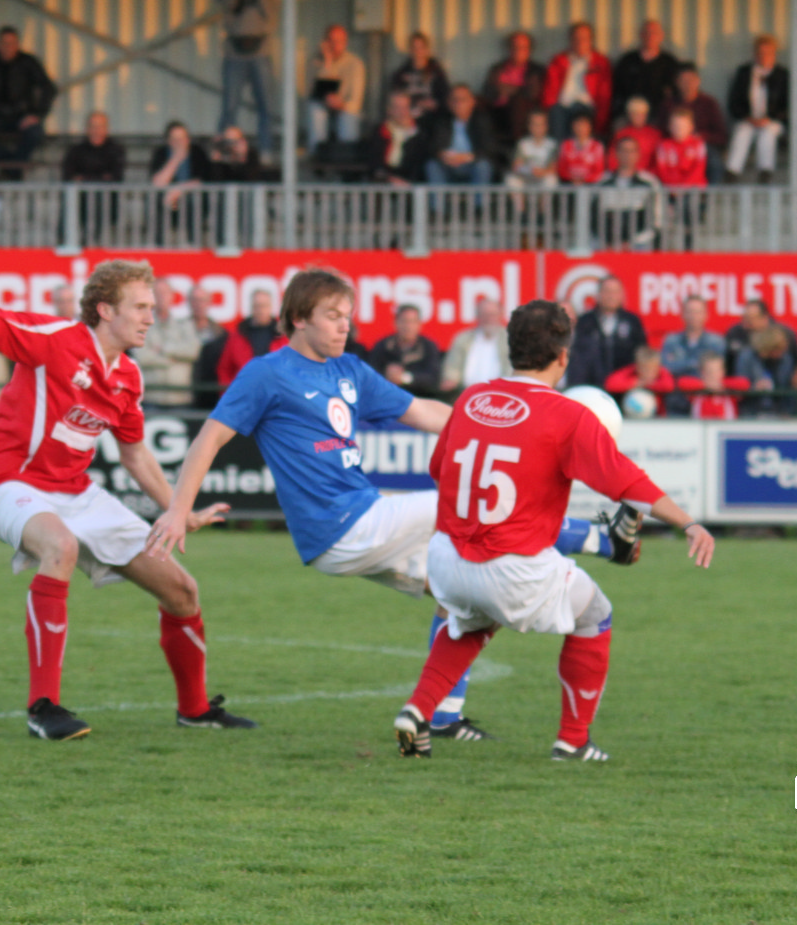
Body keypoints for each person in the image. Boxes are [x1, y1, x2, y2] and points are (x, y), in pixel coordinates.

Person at [150, 273, 626, 746]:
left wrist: (494, 425)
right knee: (468, 505)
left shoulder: (349, 370)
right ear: (298, 318)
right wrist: (177, 509)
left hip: (363, 520)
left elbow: (421, 410)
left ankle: (443, 716)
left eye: (348, 316)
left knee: (468, 592)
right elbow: (210, 437)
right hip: (341, 525)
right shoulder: (267, 373)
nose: (345, 326)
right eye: (332, 316)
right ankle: (605, 540)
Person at [0, 205, 252, 739]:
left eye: (153, 307)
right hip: (9, 483)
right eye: (141, 307)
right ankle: (44, 709)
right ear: (105, 310)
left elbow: (135, 456)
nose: (151, 317)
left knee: (182, 590)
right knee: (59, 546)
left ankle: (195, 710)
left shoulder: (128, 375)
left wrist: (181, 510)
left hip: (78, 493)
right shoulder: (54, 338)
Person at [392, 298, 713, 761]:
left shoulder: (472, 397)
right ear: (563, 357)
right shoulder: (567, 414)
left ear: (511, 348)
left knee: (472, 621)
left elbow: (439, 470)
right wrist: (688, 522)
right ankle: (573, 740)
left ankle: (418, 710)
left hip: (446, 556)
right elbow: (626, 480)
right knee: (595, 614)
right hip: (511, 566)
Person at [0, 26, 57, 177]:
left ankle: (9, 169)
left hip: (21, 117)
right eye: (4, 43)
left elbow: (49, 88)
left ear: (17, 44)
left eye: (11, 43)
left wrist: (37, 115)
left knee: (36, 132)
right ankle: (13, 167)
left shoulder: (28, 62)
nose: (7, 47)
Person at [217, 0, 281, 154]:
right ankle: (227, 151)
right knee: (230, 106)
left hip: (260, 51)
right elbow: (226, 6)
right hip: (234, 51)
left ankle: (265, 151)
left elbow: (271, 14)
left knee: (266, 106)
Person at [564, 275, 646, 389]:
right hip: (592, 387)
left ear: (622, 295)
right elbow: (577, 358)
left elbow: (642, 353)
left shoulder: (632, 321)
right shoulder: (585, 322)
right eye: (607, 291)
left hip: (625, 388)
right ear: (598, 294)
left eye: (615, 292)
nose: (611, 296)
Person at [726, 34, 789, 182]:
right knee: (742, 132)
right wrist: (748, 117)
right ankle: (732, 171)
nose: (764, 57)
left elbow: (787, 105)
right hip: (749, 119)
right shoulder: (744, 73)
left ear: (774, 54)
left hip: (773, 120)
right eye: (760, 53)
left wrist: (770, 118)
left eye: (768, 53)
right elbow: (734, 102)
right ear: (754, 54)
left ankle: (765, 171)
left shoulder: (782, 75)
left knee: (767, 133)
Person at [543, 22, 612, 143]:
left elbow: (604, 94)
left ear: (591, 41)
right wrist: (547, 108)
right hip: (562, 105)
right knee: (556, 113)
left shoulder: (600, 62)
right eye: (576, 38)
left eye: (584, 39)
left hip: (586, 106)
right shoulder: (559, 61)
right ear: (570, 40)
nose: (580, 42)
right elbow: (549, 89)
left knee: (578, 109)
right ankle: (561, 151)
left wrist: (602, 120)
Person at [138, 278, 202, 408]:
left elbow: (193, 351)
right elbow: (142, 357)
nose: (161, 297)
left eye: (165, 293)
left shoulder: (184, 324)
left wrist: (164, 349)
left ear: (172, 296)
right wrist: (174, 360)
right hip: (151, 398)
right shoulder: (141, 324)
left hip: (180, 399)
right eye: (157, 293)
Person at [657, 64, 727, 182]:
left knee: (714, 159)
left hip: (701, 145)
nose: (688, 84)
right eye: (684, 81)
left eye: (691, 80)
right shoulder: (668, 104)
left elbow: (721, 135)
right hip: (673, 145)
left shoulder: (709, 103)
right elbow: (661, 130)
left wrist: (701, 136)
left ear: (698, 81)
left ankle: (711, 192)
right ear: (677, 83)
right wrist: (676, 135)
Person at [301, 24, 365, 153]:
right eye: (331, 41)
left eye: (339, 41)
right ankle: (317, 154)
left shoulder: (355, 64)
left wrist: (341, 104)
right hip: (323, 106)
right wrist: (327, 62)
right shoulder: (314, 62)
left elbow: (356, 101)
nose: (335, 45)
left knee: (348, 115)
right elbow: (313, 93)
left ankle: (346, 155)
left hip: (345, 108)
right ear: (324, 42)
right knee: (315, 109)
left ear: (346, 43)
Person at [481, 31, 548, 150]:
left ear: (529, 50)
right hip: (498, 110)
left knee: (517, 102)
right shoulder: (497, 68)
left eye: (523, 47)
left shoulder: (536, 70)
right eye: (514, 47)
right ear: (509, 49)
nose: (518, 50)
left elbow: (533, 94)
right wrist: (500, 92)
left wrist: (509, 89)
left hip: (523, 112)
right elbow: (487, 91)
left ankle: (518, 148)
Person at [659, 295, 725, 415]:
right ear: (683, 314)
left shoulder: (716, 342)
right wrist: (696, 365)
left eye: (698, 312)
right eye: (690, 312)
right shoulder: (671, 341)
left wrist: (682, 366)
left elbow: (715, 374)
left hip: (705, 401)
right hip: (676, 401)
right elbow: (666, 369)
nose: (694, 316)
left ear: (706, 315)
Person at [592, 137, 662, 247]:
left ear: (638, 155)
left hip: (638, 244)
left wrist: (633, 242)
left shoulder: (649, 183)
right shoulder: (602, 182)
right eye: (623, 151)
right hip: (607, 244)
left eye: (631, 151)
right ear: (616, 154)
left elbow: (655, 219)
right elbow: (593, 216)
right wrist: (608, 242)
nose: (627, 155)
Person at [424, 84, 497, 187]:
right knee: (432, 165)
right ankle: (439, 198)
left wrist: (466, 157)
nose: (459, 104)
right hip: (448, 164)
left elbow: (489, 148)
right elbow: (433, 146)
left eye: (463, 100)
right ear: (448, 103)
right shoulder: (441, 121)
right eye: (454, 100)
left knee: (483, 166)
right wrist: (442, 155)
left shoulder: (481, 120)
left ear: (472, 102)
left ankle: (479, 198)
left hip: (472, 163)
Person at [368, 304, 443, 397]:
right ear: (395, 323)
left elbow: (433, 378)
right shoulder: (383, 346)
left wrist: (405, 377)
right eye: (404, 321)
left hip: (419, 397)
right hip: (387, 396)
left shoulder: (428, 347)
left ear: (419, 324)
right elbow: (370, 374)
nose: (408, 326)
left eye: (412, 322)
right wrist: (388, 375)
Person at [612, 19, 679, 123]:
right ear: (641, 35)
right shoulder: (627, 61)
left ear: (661, 36)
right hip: (629, 115)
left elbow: (675, 94)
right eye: (646, 33)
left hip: (659, 118)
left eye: (654, 33)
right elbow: (616, 91)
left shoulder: (670, 63)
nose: (650, 36)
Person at [216, 288, 285, 387]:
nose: (260, 310)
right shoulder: (238, 336)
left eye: (264, 306)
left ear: (271, 307)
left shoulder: (282, 337)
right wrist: (232, 392)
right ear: (251, 307)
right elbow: (224, 368)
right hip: (245, 390)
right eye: (257, 306)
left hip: (276, 392)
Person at [441, 297, 511, 394]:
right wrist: (451, 379)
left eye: (492, 315)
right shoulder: (463, 338)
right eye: (484, 315)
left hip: (501, 392)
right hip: (465, 392)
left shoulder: (509, 339)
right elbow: (452, 366)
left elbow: (512, 369)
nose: (488, 319)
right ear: (477, 316)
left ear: (501, 315)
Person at [724, 298, 797, 376]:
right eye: (744, 318)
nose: (745, 325)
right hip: (745, 377)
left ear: (764, 318)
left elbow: (796, 362)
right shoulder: (735, 333)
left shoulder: (784, 334)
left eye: (750, 320)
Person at [733, 324, 795, 417]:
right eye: (777, 349)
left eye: (782, 350)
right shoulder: (747, 357)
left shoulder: (786, 360)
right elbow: (739, 387)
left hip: (779, 411)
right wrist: (754, 388)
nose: (780, 353)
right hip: (752, 410)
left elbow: (788, 388)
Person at [149, 121, 212, 210]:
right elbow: (158, 183)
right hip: (167, 202)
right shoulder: (161, 153)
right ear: (169, 141)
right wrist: (176, 159)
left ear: (188, 139)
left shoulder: (197, 152)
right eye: (175, 139)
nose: (180, 142)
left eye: (183, 138)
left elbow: (202, 180)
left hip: (192, 200)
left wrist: (179, 190)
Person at [388, 31, 449, 120]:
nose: (417, 51)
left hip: (431, 120)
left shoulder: (436, 72)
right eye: (414, 48)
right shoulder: (401, 75)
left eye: (421, 47)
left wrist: (434, 104)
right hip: (408, 119)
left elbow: (445, 98)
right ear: (409, 50)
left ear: (426, 50)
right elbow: (395, 99)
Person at [369, 91, 426, 185]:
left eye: (405, 107)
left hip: (412, 184)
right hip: (384, 182)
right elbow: (375, 163)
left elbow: (420, 164)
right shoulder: (380, 132)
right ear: (389, 110)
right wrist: (388, 179)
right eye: (397, 108)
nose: (402, 112)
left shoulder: (419, 132)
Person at [677, 352, 750, 420]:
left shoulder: (729, 391)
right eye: (709, 371)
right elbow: (682, 383)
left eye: (716, 371)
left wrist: (721, 384)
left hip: (726, 428)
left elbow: (745, 384)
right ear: (702, 372)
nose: (713, 375)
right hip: (701, 428)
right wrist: (705, 385)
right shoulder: (697, 391)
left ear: (723, 371)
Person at [604, 345, 676, 411]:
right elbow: (611, 384)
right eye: (645, 369)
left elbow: (669, 385)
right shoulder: (631, 373)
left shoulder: (662, 374)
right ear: (637, 367)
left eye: (652, 369)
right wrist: (636, 383)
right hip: (630, 415)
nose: (648, 373)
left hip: (659, 417)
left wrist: (649, 384)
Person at [61, 110, 125, 184]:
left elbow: (116, 178)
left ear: (106, 129)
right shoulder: (75, 151)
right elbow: (68, 177)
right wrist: (102, 178)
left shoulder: (116, 151)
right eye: (93, 127)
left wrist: (83, 178)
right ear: (87, 129)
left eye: (100, 127)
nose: (96, 131)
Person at [654, 108, 708, 189]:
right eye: (676, 126)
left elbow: (699, 169)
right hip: (671, 190)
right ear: (669, 127)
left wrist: (684, 188)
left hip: (695, 190)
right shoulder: (663, 146)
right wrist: (674, 188)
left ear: (691, 127)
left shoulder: (698, 144)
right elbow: (662, 171)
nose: (679, 129)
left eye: (683, 126)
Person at [504, 110, 558, 191]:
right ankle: (520, 200)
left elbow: (553, 168)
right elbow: (516, 166)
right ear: (529, 126)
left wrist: (541, 172)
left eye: (541, 125)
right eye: (535, 124)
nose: (538, 128)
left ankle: (543, 200)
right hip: (526, 177)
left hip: (542, 176)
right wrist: (530, 171)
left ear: (546, 126)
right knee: (511, 180)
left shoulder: (552, 145)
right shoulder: (523, 143)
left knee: (551, 180)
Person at [610, 96, 662, 171]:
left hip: (648, 174)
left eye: (642, 114)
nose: (638, 117)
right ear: (629, 115)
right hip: (625, 173)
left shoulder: (655, 134)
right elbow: (613, 159)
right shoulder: (621, 133)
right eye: (635, 114)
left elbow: (659, 160)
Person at [556, 112, 606, 185]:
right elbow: (561, 168)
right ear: (572, 127)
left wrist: (584, 179)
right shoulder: (566, 145)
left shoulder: (597, 146)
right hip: (569, 184)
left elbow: (598, 171)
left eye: (584, 125)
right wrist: (572, 178)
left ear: (590, 127)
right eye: (578, 125)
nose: (580, 128)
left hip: (590, 185)